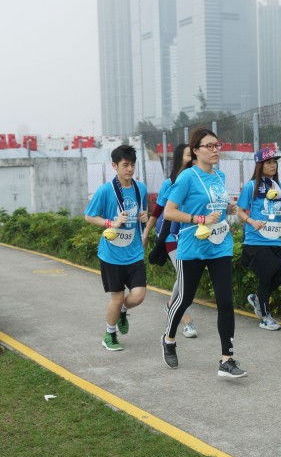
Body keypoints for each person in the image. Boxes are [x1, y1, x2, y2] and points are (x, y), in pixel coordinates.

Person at [160, 128, 248, 379]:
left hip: (219, 245)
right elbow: (169, 212)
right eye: (209, 146)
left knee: (226, 301)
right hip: (192, 247)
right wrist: (199, 219)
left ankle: (226, 360)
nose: (215, 150)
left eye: (217, 145)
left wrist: (228, 209)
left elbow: (213, 206)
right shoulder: (187, 177)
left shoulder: (219, 176)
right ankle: (169, 339)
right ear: (196, 151)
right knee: (184, 298)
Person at [84, 144, 148, 351]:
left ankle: (122, 310)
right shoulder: (106, 190)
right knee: (118, 297)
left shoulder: (140, 189)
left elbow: (141, 214)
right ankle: (109, 334)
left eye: (132, 165)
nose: (130, 169)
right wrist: (111, 223)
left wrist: (144, 217)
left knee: (138, 296)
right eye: (125, 165)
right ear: (114, 166)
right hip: (111, 254)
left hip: (134, 252)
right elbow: (89, 216)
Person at [143, 143, 198, 338]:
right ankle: (187, 321)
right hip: (171, 236)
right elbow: (157, 212)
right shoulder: (170, 183)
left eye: (194, 155)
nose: (192, 159)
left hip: (191, 236)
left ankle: (170, 306)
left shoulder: (199, 181)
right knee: (184, 278)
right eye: (188, 155)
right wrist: (145, 234)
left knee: (184, 277)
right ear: (179, 158)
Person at [237, 147, 281, 330]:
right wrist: (251, 221)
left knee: (280, 276)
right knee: (266, 277)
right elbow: (240, 211)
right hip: (256, 240)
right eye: (269, 162)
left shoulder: (280, 186)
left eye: (274, 162)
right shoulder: (251, 186)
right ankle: (265, 317)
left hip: (275, 238)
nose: (273, 165)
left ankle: (257, 299)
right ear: (260, 165)